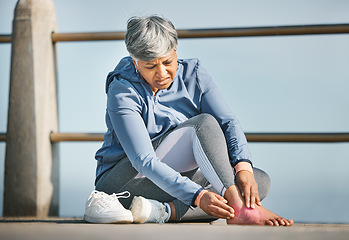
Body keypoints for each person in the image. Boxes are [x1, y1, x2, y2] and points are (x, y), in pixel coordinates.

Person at [92, 15, 293, 226]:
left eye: (168, 62)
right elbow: (144, 159)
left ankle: (161, 211)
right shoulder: (123, 89)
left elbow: (228, 122)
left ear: (176, 50)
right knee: (203, 124)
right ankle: (239, 209)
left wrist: (243, 166)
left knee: (258, 183)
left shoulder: (194, 75)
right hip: (124, 183)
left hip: (172, 181)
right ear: (135, 62)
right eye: (150, 66)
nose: (162, 73)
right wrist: (197, 195)